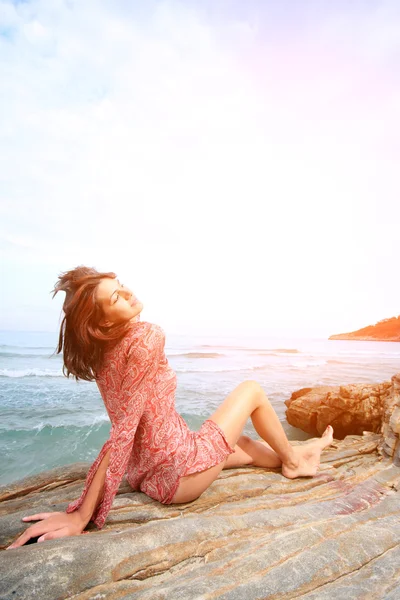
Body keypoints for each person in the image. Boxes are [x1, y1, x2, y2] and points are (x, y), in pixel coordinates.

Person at [6, 266, 334, 549]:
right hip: (179, 473)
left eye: (121, 287)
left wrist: (84, 505)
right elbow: (123, 430)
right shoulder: (147, 337)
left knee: (243, 445)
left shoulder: (102, 354)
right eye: (116, 298)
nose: (128, 293)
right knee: (252, 390)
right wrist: (81, 513)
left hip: (146, 473)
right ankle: (294, 461)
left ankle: (306, 450)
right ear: (103, 324)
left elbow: (125, 425)